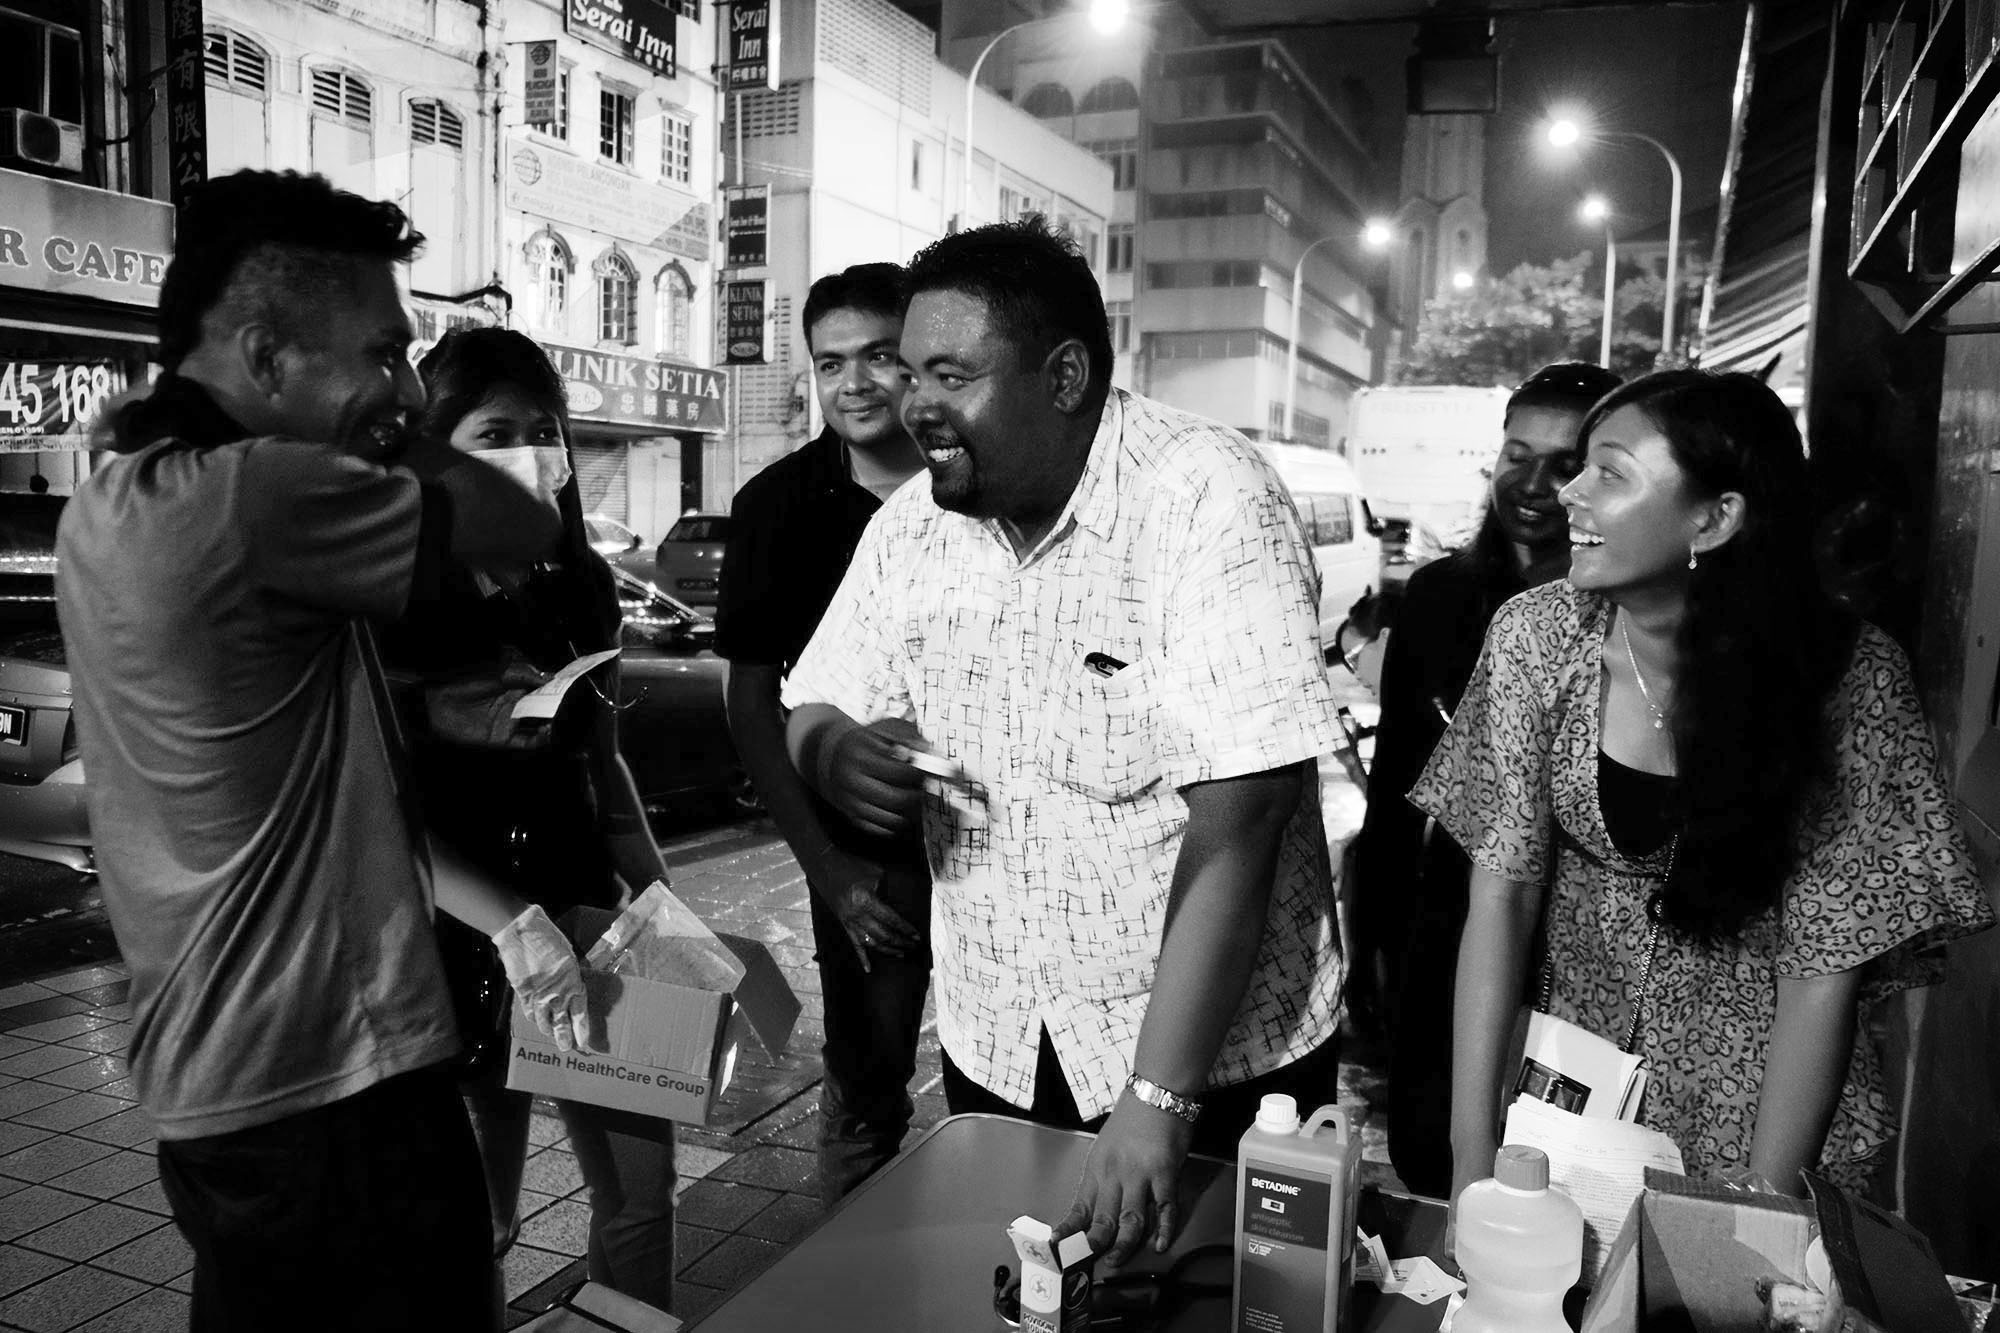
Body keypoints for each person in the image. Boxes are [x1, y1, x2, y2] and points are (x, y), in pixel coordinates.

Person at [55, 170, 590, 1330]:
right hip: (333, 1074)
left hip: (214, 1073)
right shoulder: (256, 494)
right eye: (384, 353)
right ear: (266, 354)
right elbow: (519, 524)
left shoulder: (112, 500)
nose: (401, 384)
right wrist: (406, 435)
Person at [781, 217, 1345, 1267]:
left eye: (950, 374)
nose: (915, 407)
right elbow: (812, 698)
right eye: (911, 374)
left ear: (1064, 375)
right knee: (1014, 1298)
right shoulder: (910, 525)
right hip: (996, 1041)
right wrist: (835, 753)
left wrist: (1156, 1096)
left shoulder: (1206, 497)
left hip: (1211, 1075)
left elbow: (1244, 821)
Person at [1410, 370, 1993, 1207]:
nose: (1568, 493)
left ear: (1715, 518)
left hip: (1770, 1109)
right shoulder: (1537, 637)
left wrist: (1758, 1203)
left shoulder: (1851, 682)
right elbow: (1500, 897)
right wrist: (1474, 1154)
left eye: (1608, 471)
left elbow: (1822, 972)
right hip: (1576, 1095)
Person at [381, 328, 677, 1310]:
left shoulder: (580, 583)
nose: (526, 450)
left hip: (588, 914)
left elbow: (603, 756)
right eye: (493, 429)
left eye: (542, 428)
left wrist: (660, 900)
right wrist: (508, 927)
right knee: (478, 1221)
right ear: (437, 446)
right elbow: (379, 808)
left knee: (642, 1191)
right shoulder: (393, 595)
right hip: (457, 943)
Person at [1350, 361, 1621, 1198]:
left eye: (1564, 461)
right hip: (1451, 921)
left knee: (1569, 1179)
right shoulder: (1437, 597)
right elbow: (1395, 788)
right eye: (1515, 454)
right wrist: (1371, 944)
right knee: (1437, 1163)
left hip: (1579, 955)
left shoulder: (1624, 608)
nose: (1534, 484)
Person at [715, 263, 933, 1202]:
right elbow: (749, 703)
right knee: (865, 1085)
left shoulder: (979, 478)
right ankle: (852, 1271)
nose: (855, 383)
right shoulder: (778, 506)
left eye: (881, 356)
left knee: (1006, 1065)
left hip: (1002, 840)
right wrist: (828, 872)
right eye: (831, 361)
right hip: (865, 854)